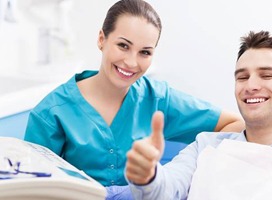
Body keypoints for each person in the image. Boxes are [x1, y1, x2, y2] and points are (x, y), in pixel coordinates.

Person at [23, 0, 244, 187]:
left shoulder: (157, 99)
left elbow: (234, 124)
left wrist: (182, 171)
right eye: (123, 46)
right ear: (102, 39)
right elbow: (31, 188)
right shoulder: (51, 113)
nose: (131, 62)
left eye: (145, 52)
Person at [125, 31, 272, 199]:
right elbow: (164, 190)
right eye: (242, 77)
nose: (251, 85)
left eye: (266, 75)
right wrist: (148, 176)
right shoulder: (205, 146)